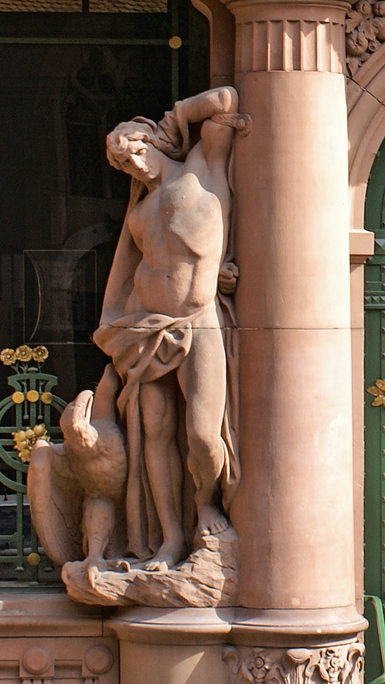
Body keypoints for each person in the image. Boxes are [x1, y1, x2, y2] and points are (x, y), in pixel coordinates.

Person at [96, 87, 244, 570]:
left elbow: (225, 100)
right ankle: (172, 540)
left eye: (137, 152)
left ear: (151, 142)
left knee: (203, 434)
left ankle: (206, 503)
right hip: (145, 328)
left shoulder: (202, 169)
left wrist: (175, 118)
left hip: (198, 321)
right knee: (154, 431)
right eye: (124, 164)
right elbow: (131, 272)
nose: (135, 166)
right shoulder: (138, 212)